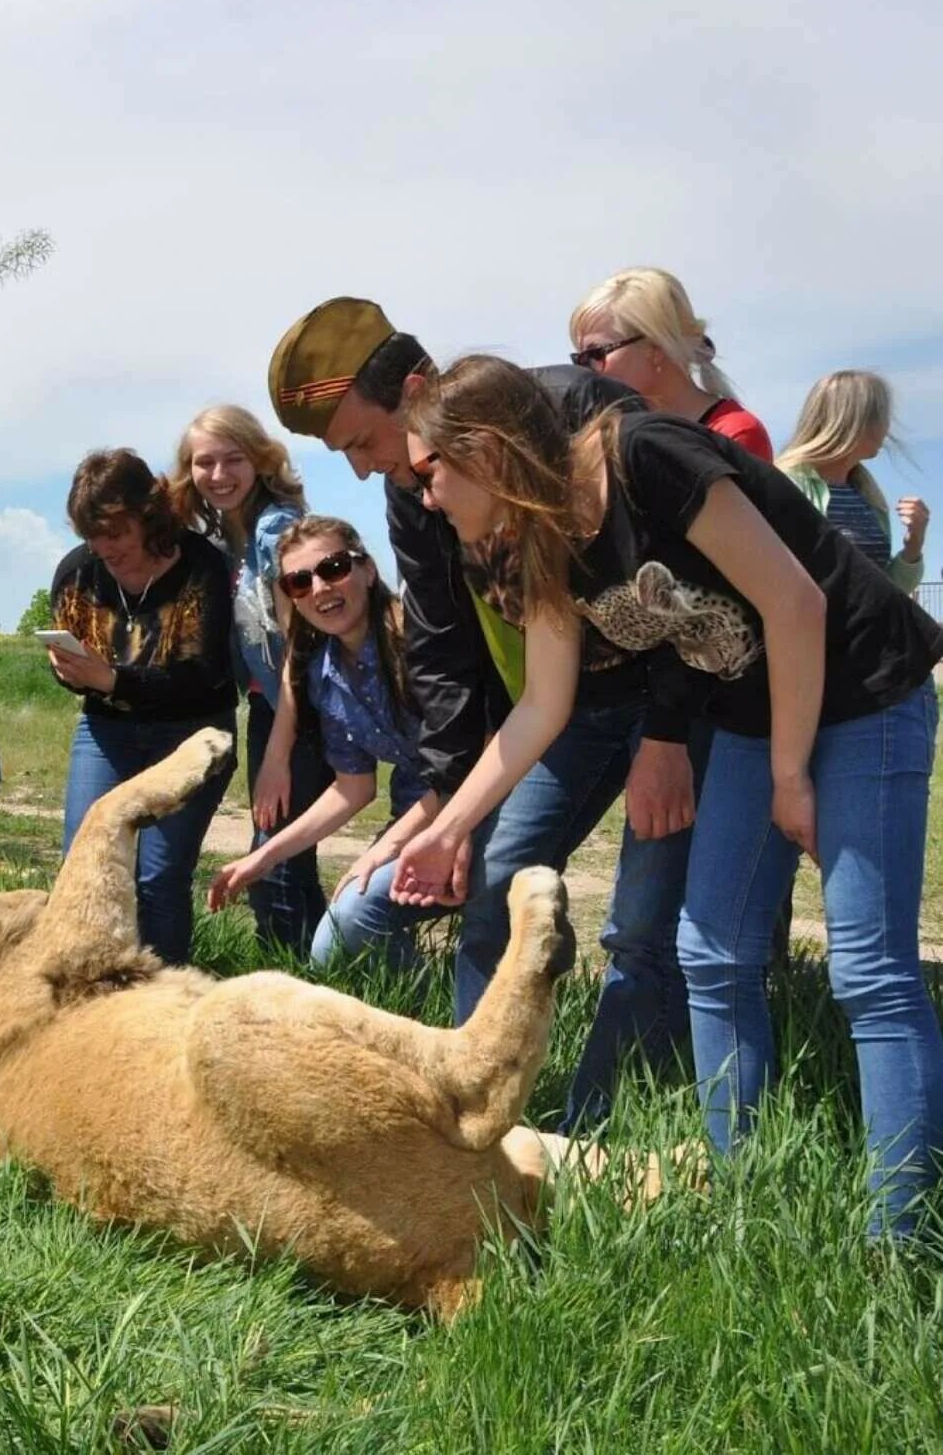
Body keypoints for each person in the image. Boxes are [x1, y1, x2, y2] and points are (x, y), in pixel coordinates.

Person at [395, 354, 943, 1237]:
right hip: (749, 714)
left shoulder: (644, 455)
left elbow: (795, 603)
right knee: (712, 953)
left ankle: (897, 1242)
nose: (424, 496)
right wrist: (449, 830)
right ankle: (744, 1201)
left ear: (488, 450)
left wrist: (790, 774)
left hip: (862, 688)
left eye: (431, 471)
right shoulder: (541, 542)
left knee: (869, 970)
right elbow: (542, 705)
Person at [268, 296, 691, 1127]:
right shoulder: (411, 496)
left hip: (683, 696)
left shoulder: (585, 415)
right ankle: (474, 1113)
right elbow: (441, 657)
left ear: (421, 393)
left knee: (640, 923)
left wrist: (670, 733)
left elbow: (688, 597)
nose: (363, 471)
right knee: (495, 885)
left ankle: (596, 1126)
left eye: (361, 441)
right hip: (564, 704)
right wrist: (450, 813)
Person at [206, 518, 448, 970]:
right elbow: (353, 787)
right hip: (420, 811)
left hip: (480, 805)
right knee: (339, 941)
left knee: (353, 921)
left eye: (333, 568)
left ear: (368, 570)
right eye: (299, 581)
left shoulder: (420, 642)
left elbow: (462, 767)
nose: (319, 588)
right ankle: (418, 1012)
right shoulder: (326, 673)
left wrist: (382, 849)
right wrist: (263, 857)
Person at [47, 448, 236, 963]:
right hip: (108, 730)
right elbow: (78, 670)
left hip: (192, 732)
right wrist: (73, 673)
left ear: (147, 515)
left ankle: (164, 998)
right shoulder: (77, 574)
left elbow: (202, 676)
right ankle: (90, 990)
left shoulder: (201, 566)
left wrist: (111, 678)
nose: (105, 547)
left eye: (116, 532)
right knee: (85, 862)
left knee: (158, 875)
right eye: (92, 535)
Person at [175, 403, 330, 953]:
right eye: (204, 463)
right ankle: (328, 975)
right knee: (289, 861)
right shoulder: (227, 535)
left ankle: (289, 994)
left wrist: (278, 757)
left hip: (305, 710)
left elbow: (299, 652)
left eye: (232, 459)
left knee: (275, 864)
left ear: (261, 459)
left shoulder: (276, 532)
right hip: (272, 708)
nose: (218, 475)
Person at [569, 267, 772, 460]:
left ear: (655, 348)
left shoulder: (735, 434)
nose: (585, 371)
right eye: (579, 360)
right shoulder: (601, 444)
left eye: (594, 354)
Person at [778, 370, 928, 593]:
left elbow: (885, 592)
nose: (887, 430)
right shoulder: (785, 482)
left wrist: (913, 546)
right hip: (807, 626)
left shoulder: (866, 492)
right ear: (858, 421)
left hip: (865, 627)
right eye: (883, 417)